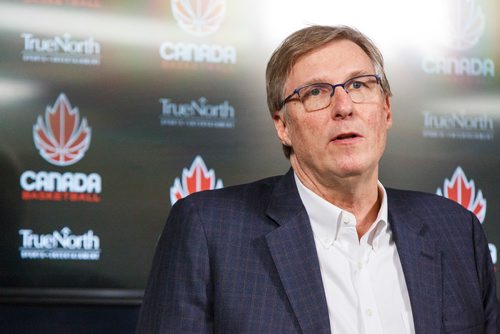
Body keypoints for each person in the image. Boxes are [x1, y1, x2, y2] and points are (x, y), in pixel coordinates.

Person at [136, 25, 497, 333]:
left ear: (386, 109)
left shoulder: (456, 231)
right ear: (283, 126)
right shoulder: (208, 230)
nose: (344, 107)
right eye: (316, 92)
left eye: (359, 85)